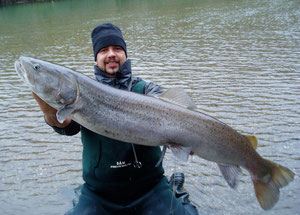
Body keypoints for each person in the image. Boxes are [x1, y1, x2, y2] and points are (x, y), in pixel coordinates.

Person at [32, 23, 199, 215]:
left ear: (125, 55)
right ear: (96, 60)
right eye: (104, 50)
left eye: (117, 49)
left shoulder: (145, 89)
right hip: (99, 192)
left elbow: (176, 109)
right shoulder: (80, 93)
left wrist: (186, 137)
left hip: (150, 187)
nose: (111, 54)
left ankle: (179, 194)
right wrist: (42, 95)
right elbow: (64, 126)